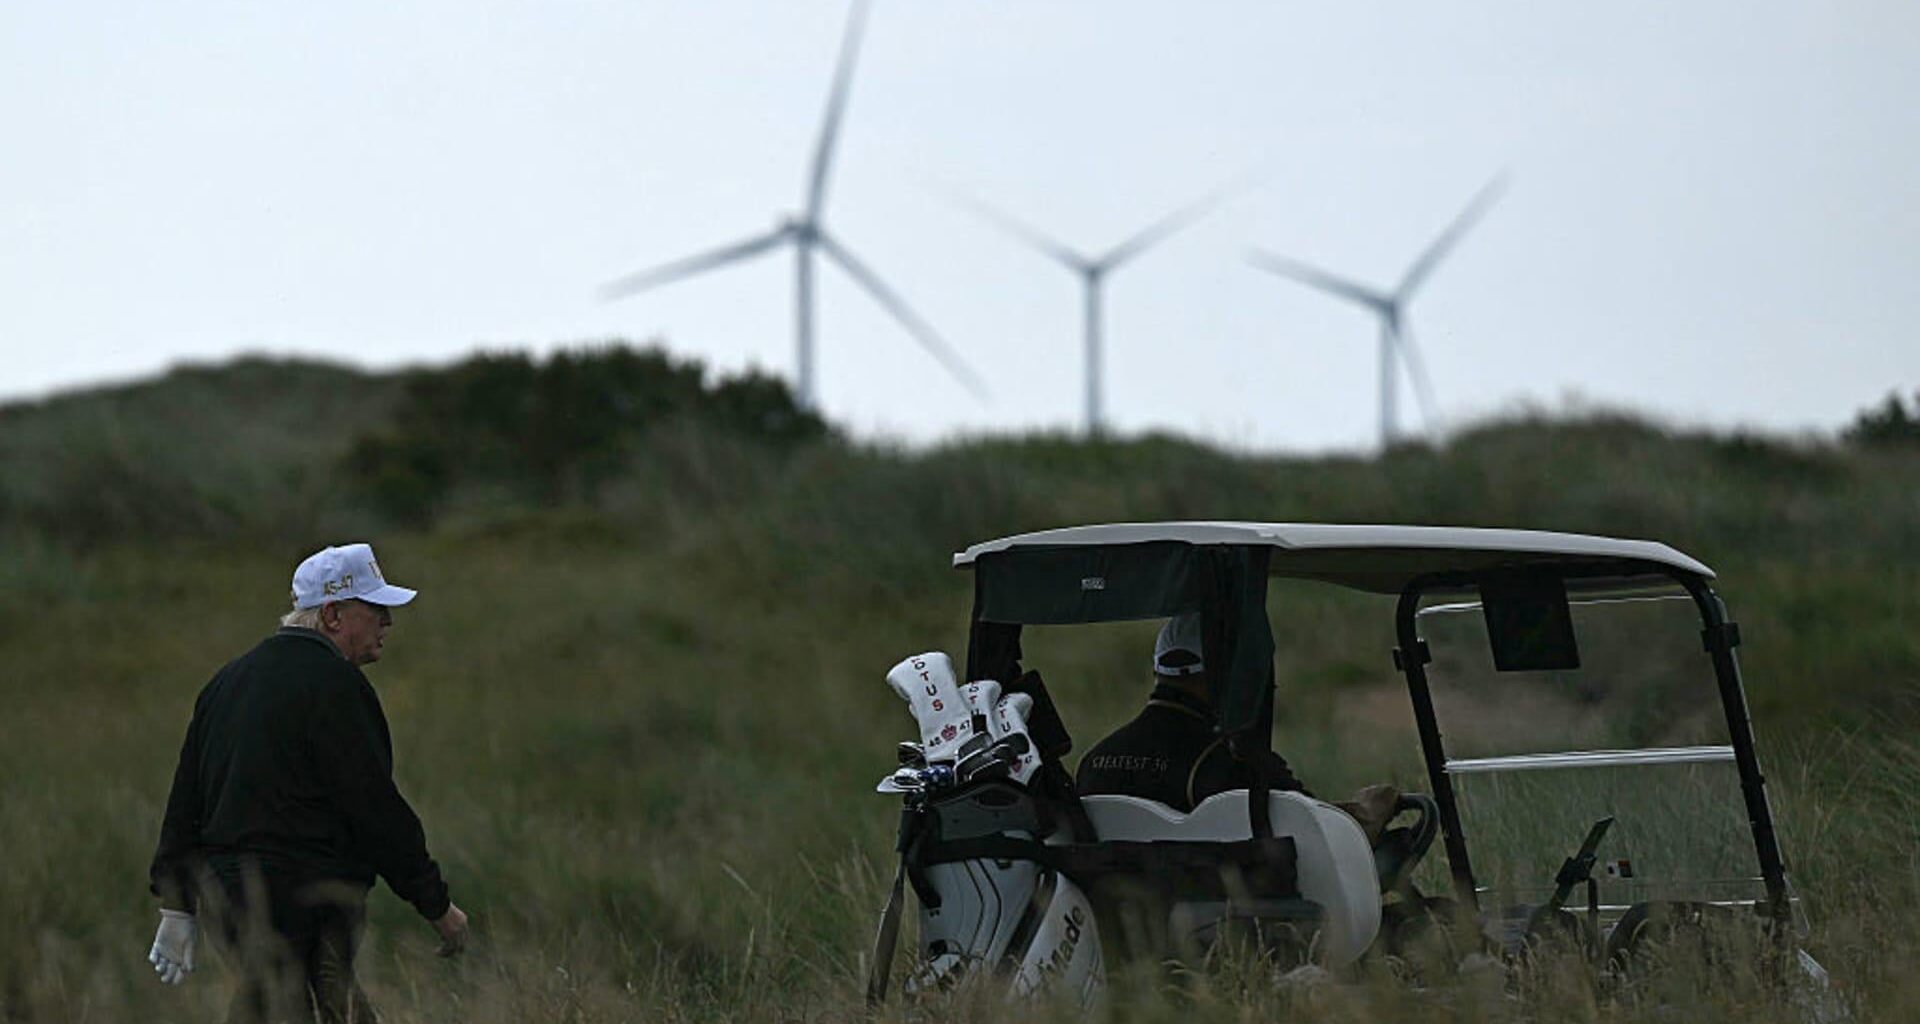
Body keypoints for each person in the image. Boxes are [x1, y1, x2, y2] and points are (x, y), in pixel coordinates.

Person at [146, 542, 469, 1022]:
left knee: (298, 1004)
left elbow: (186, 801)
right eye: (375, 609)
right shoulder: (337, 686)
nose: (387, 622)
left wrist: (178, 905)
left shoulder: (226, 682)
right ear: (334, 614)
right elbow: (375, 809)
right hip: (308, 900)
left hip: (229, 901)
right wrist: (436, 905)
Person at [1075, 613, 1308, 811]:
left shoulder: (1091, 764)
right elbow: (1313, 824)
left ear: (1157, 672)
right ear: (1225, 673)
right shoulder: (1233, 764)